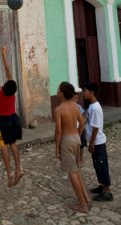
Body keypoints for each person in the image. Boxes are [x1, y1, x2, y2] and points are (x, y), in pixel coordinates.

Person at [0, 46, 24, 187]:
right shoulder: (12, 92)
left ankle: (9, 172)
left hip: (4, 120)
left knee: (4, 145)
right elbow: (8, 70)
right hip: (15, 118)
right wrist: (3, 54)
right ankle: (18, 169)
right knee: (13, 144)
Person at [55, 82, 90, 213]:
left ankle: (82, 205)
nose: (57, 91)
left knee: (72, 172)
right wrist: (78, 135)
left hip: (66, 140)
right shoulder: (76, 106)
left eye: (58, 89)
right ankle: (85, 197)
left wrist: (57, 148)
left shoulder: (59, 109)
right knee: (76, 170)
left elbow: (58, 130)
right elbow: (82, 123)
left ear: (62, 93)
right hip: (76, 138)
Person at [82, 82, 113, 201]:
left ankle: (107, 190)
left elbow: (95, 127)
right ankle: (102, 185)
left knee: (102, 165)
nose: (83, 93)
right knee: (97, 165)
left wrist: (91, 143)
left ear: (91, 92)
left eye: (85, 91)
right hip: (94, 141)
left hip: (98, 142)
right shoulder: (91, 106)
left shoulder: (95, 108)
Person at [72, 91, 87, 167]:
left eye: (77, 98)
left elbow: (82, 118)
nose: (76, 100)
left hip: (79, 129)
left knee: (81, 146)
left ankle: (80, 159)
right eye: (74, 98)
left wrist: (82, 127)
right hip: (72, 130)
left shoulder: (79, 107)